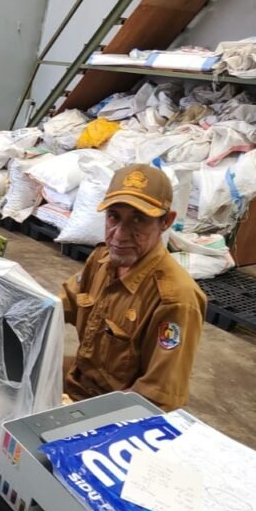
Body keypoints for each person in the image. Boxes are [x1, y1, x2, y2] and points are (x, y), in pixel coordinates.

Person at [61, 164, 207, 412]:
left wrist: (76, 414)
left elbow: (155, 399)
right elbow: (60, 304)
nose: (119, 235)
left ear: (166, 221)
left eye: (138, 219)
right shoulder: (101, 261)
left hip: (111, 412)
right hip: (79, 382)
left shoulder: (175, 299)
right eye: (114, 217)